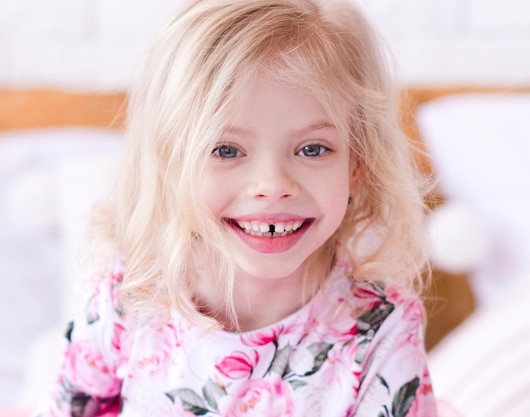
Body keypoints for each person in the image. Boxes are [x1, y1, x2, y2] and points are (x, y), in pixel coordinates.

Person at [35, 0, 437, 415]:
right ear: (171, 165)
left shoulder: (381, 330)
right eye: (226, 149)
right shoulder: (126, 294)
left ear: (358, 164)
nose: (272, 186)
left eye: (312, 149)